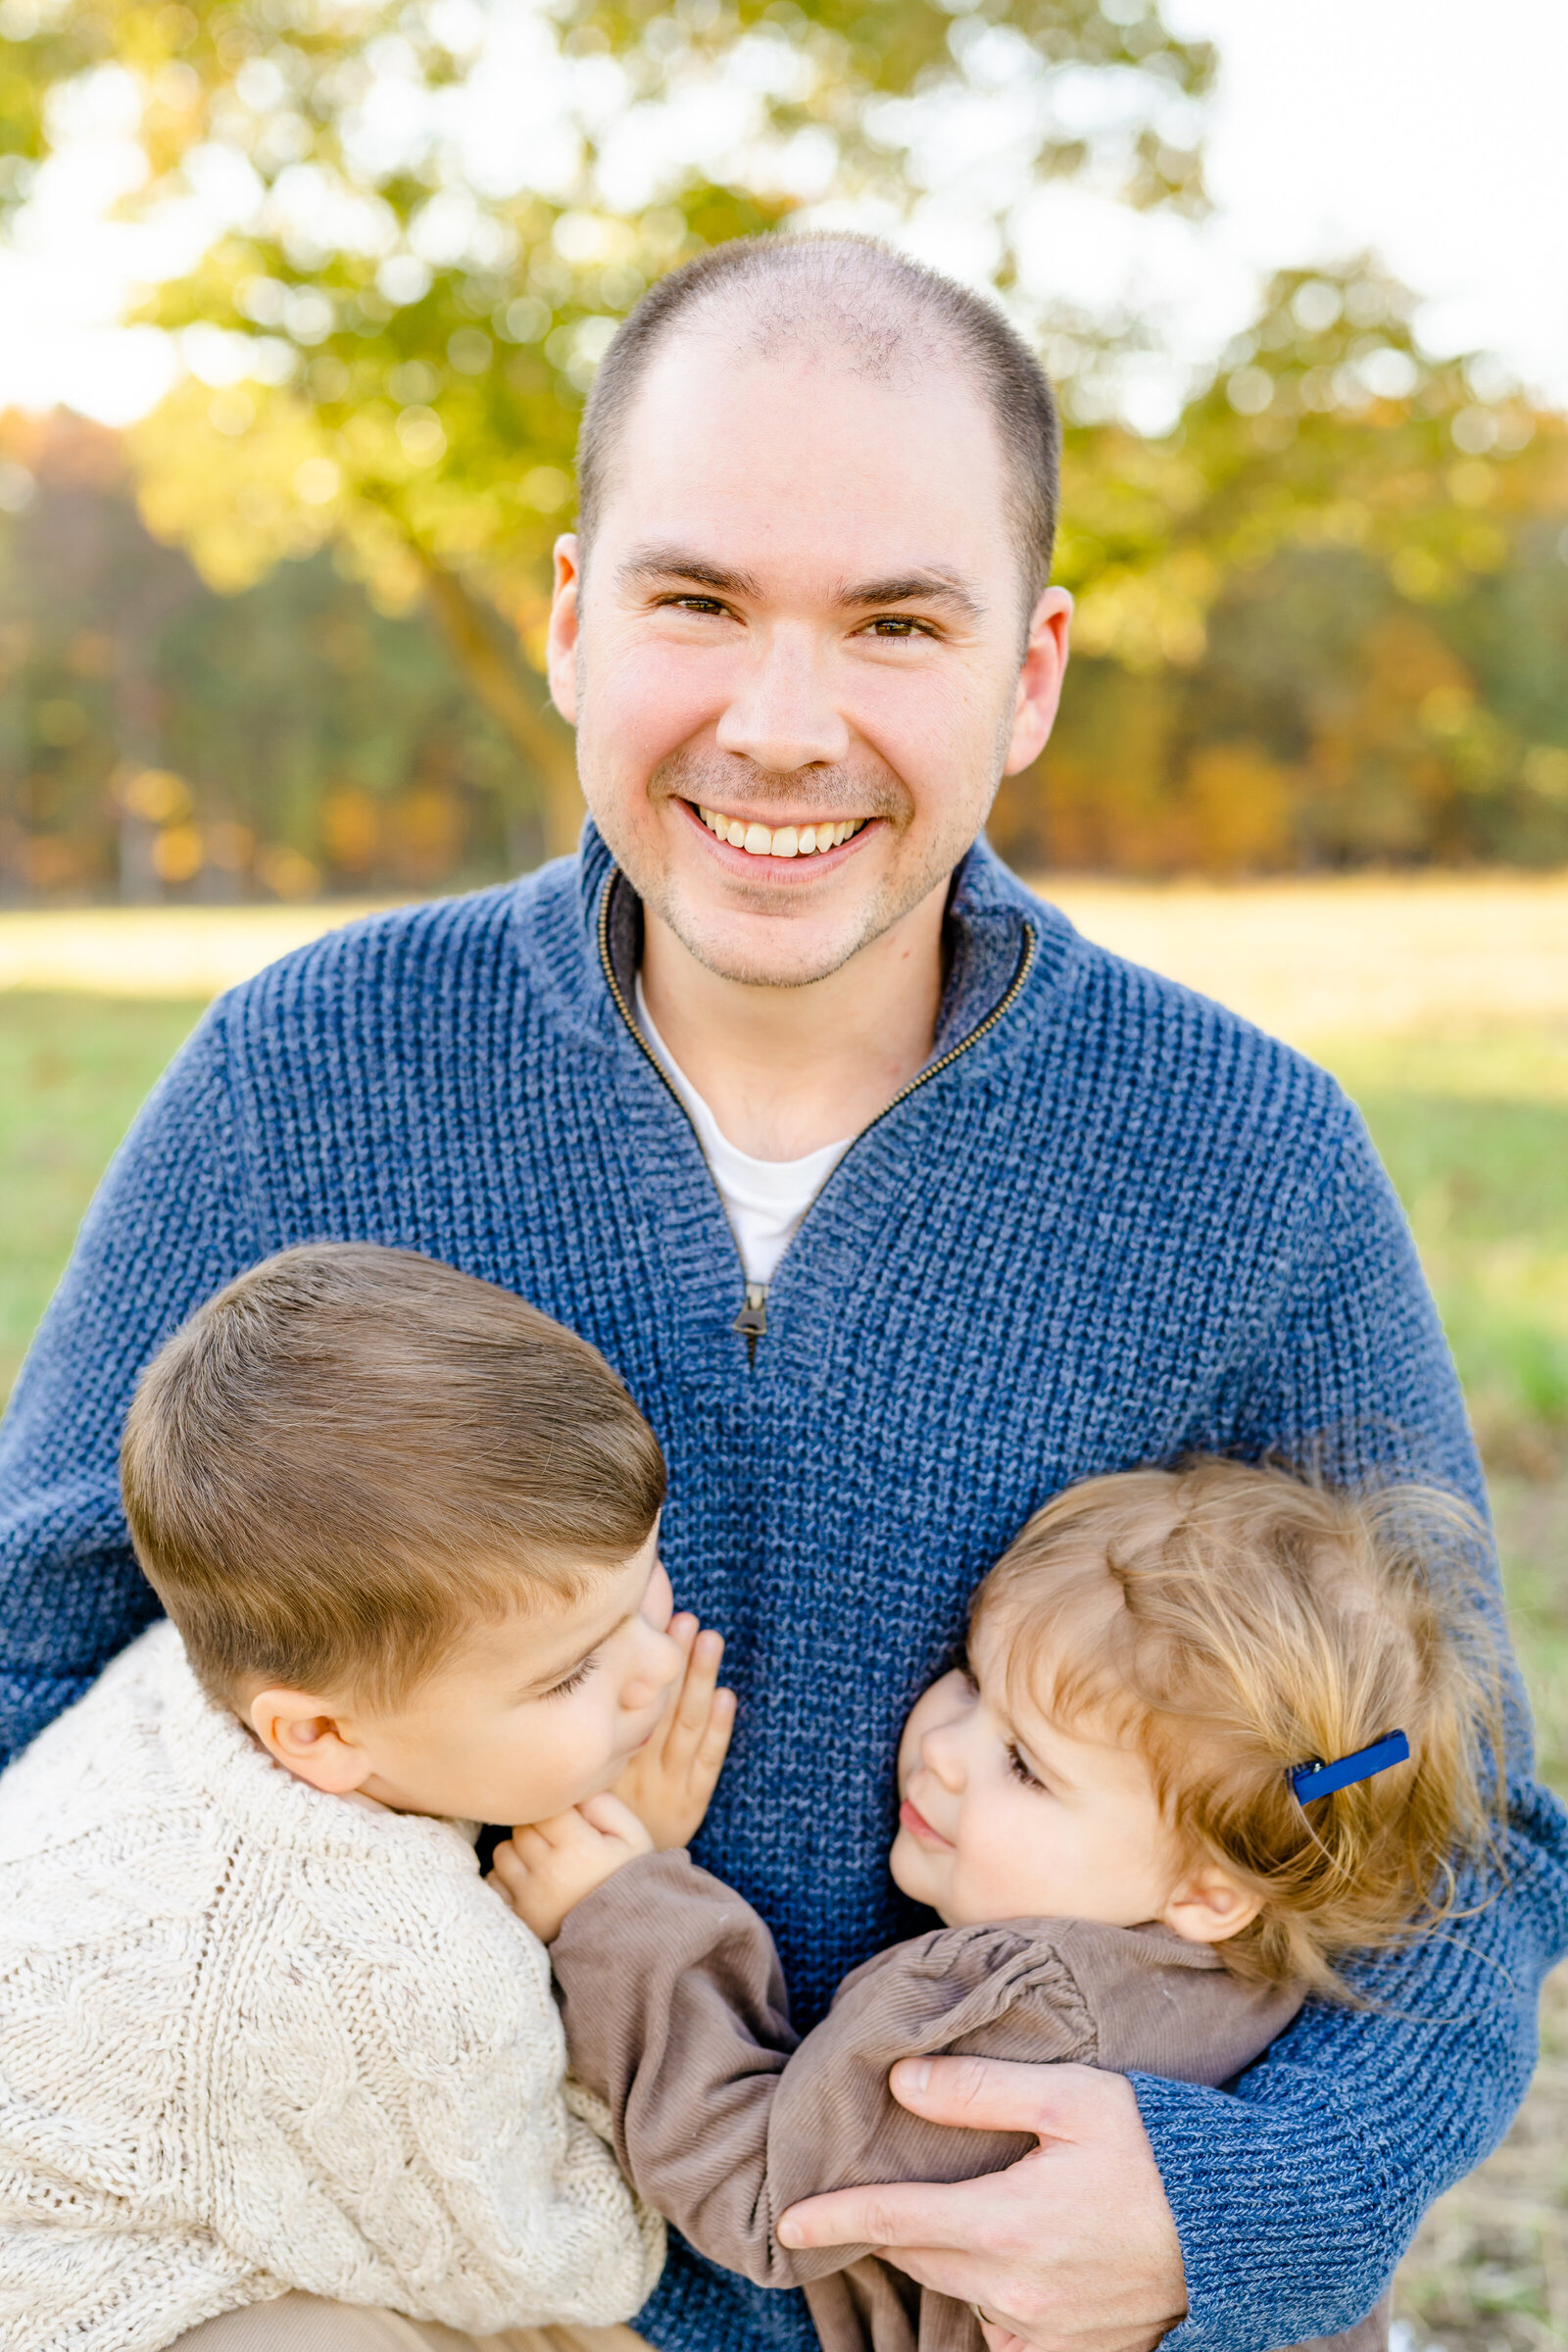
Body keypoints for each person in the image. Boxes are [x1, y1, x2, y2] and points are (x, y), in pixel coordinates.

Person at [0, 228, 1563, 2352]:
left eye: (895, 623)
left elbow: (1450, 1828)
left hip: (1010, 2302)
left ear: (1027, 674)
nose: (778, 722)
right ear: (570, 619)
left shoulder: (1243, 1164)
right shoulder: (308, 1077)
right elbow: (31, 1650)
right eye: (695, 600)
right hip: (443, 2269)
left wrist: (1240, 2209)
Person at [488, 1458, 1509, 2352]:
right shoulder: (1248, 1987)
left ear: (1208, 1890)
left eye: (1023, 1763)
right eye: (972, 1679)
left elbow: (757, 2192)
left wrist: (625, 1910)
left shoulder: (1007, 2009)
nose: (943, 1746)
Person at [0, 1244, 733, 2351]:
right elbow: (569, 2264)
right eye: (570, 1672)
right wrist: (621, 1895)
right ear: (324, 1735)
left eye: (642, 1591)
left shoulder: (189, 1673)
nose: (650, 1669)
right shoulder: (399, 1968)